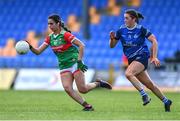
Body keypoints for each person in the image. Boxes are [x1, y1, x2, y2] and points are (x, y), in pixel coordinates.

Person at [26, 14, 112, 111]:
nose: (49, 26)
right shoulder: (49, 38)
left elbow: (81, 45)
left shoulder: (66, 35)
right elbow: (38, 52)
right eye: (48, 24)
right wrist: (29, 47)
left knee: (82, 89)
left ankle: (98, 83)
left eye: (51, 23)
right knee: (67, 88)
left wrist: (79, 61)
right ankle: (87, 106)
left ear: (58, 23)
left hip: (75, 62)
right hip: (63, 65)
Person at [109, 9, 172, 112]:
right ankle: (166, 101)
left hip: (142, 57)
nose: (124, 20)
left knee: (128, 74)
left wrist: (154, 57)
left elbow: (154, 41)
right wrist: (111, 39)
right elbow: (112, 46)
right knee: (150, 85)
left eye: (127, 18)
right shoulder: (121, 30)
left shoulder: (141, 29)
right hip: (132, 60)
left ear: (134, 19)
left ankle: (144, 95)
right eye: (124, 18)